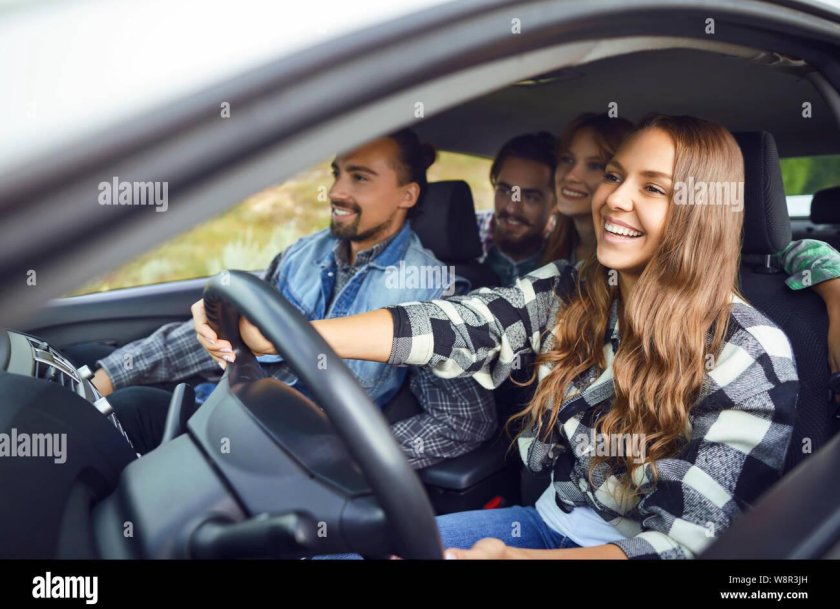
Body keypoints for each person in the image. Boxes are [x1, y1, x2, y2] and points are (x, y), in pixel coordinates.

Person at [195, 114, 797, 559]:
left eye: (654, 188)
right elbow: (452, 324)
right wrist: (278, 332)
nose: (614, 197)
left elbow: (686, 549)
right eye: (617, 175)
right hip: (540, 524)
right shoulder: (572, 289)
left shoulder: (750, 353)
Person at [65, 130, 496, 467]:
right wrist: (109, 374)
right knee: (103, 398)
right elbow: (223, 335)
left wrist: (357, 458)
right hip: (223, 412)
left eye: (360, 178)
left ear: (408, 195)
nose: (335, 192)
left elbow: (463, 421)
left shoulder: (432, 288)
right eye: (337, 173)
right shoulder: (303, 253)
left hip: (289, 458)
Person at [543, 112, 840, 375]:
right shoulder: (558, 262)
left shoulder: (744, 349)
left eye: (595, 165)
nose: (572, 175)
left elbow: (789, 250)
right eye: (612, 175)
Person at [475, 132, 558, 285]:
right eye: (505, 191)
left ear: (556, 203)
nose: (512, 208)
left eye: (530, 197)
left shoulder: (568, 250)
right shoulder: (461, 234)